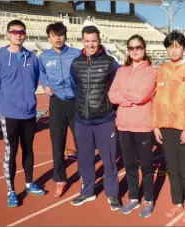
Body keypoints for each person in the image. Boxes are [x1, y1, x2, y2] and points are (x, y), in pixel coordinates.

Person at [0, 20, 45, 208]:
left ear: (25, 34)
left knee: (28, 149)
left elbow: (37, 79)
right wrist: (1, 108)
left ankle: (29, 183)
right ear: (8, 34)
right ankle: (11, 190)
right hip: (9, 114)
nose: (18, 35)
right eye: (14, 32)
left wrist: (29, 100)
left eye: (21, 32)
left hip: (28, 113)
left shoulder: (32, 57)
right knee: (11, 152)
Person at [69, 26, 122, 210]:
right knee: (84, 159)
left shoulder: (110, 62)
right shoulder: (76, 63)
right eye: (87, 40)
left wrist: (108, 107)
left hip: (104, 120)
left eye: (94, 40)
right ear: (83, 41)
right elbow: (75, 86)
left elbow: (117, 85)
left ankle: (113, 194)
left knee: (108, 159)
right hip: (82, 120)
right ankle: (87, 191)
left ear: (99, 41)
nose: (91, 44)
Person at [152, 31, 185, 224]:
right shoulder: (161, 69)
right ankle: (177, 202)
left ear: (183, 48)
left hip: (182, 127)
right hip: (164, 126)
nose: (174, 50)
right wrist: (155, 125)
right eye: (170, 46)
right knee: (171, 167)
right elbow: (156, 100)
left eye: (177, 46)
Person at [108, 34, 156, 218]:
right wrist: (129, 98)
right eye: (131, 48)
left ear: (144, 48)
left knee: (146, 165)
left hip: (142, 125)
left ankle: (149, 199)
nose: (135, 50)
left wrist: (124, 96)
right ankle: (134, 197)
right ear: (128, 50)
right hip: (124, 125)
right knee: (129, 164)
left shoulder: (151, 71)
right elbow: (112, 95)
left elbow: (142, 96)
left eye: (138, 47)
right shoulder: (121, 71)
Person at [39, 22, 81, 198]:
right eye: (54, 35)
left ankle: (85, 175)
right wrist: (46, 85)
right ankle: (60, 180)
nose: (57, 38)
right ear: (49, 37)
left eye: (60, 34)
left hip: (75, 102)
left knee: (81, 141)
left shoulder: (76, 54)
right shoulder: (43, 56)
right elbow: (41, 73)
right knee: (58, 143)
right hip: (56, 103)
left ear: (65, 36)